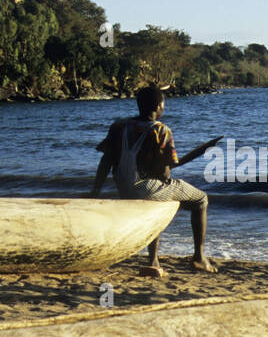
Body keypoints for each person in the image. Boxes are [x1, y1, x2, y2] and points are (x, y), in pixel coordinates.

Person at [91, 85, 222, 275]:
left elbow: (106, 160)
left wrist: (95, 190)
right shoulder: (161, 130)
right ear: (159, 105)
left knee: (157, 198)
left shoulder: (119, 126)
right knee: (200, 199)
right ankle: (199, 258)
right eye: (163, 104)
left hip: (124, 187)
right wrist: (198, 153)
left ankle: (153, 260)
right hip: (147, 188)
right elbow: (165, 174)